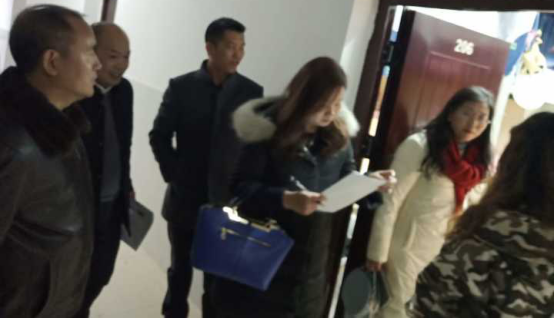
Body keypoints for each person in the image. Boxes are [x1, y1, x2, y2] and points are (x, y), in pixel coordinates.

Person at [212, 57, 394, 318]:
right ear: (303, 98)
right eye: (324, 104)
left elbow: (347, 176)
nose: (331, 112)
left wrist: (370, 183)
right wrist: (286, 199)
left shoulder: (338, 135)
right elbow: (239, 189)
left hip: (311, 264)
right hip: (262, 255)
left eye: (338, 104)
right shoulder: (267, 132)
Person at [150, 18, 264, 318]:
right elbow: (159, 135)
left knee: (217, 279)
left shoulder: (251, 92)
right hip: (184, 198)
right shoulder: (181, 87)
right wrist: (174, 175)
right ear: (210, 48)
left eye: (242, 47)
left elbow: (254, 147)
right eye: (231, 47)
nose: (238, 54)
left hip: (227, 201)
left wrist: (246, 190)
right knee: (180, 270)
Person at [0, 5, 101, 318]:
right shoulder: (16, 145)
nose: (98, 63)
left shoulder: (62, 125)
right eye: (89, 51)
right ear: (52, 62)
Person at [366, 87, 494, 318]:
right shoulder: (420, 145)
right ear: (450, 113)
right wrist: (377, 252)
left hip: (446, 257)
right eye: (467, 113)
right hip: (407, 250)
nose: (473, 123)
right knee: (396, 312)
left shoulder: (480, 161)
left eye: (481, 118)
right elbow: (391, 200)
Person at [413, 112, 554, 318]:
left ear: (511, 163)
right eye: (469, 113)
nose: (473, 124)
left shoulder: (480, 237)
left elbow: (427, 303)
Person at [76, 23, 134, 318]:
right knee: (69, 279)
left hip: (111, 207)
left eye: (127, 56)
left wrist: (126, 181)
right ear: (91, 53)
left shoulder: (125, 91)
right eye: (113, 56)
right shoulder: (73, 93)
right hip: (76, 209)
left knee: (100, 274)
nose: (122, 64)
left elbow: (124, 144)